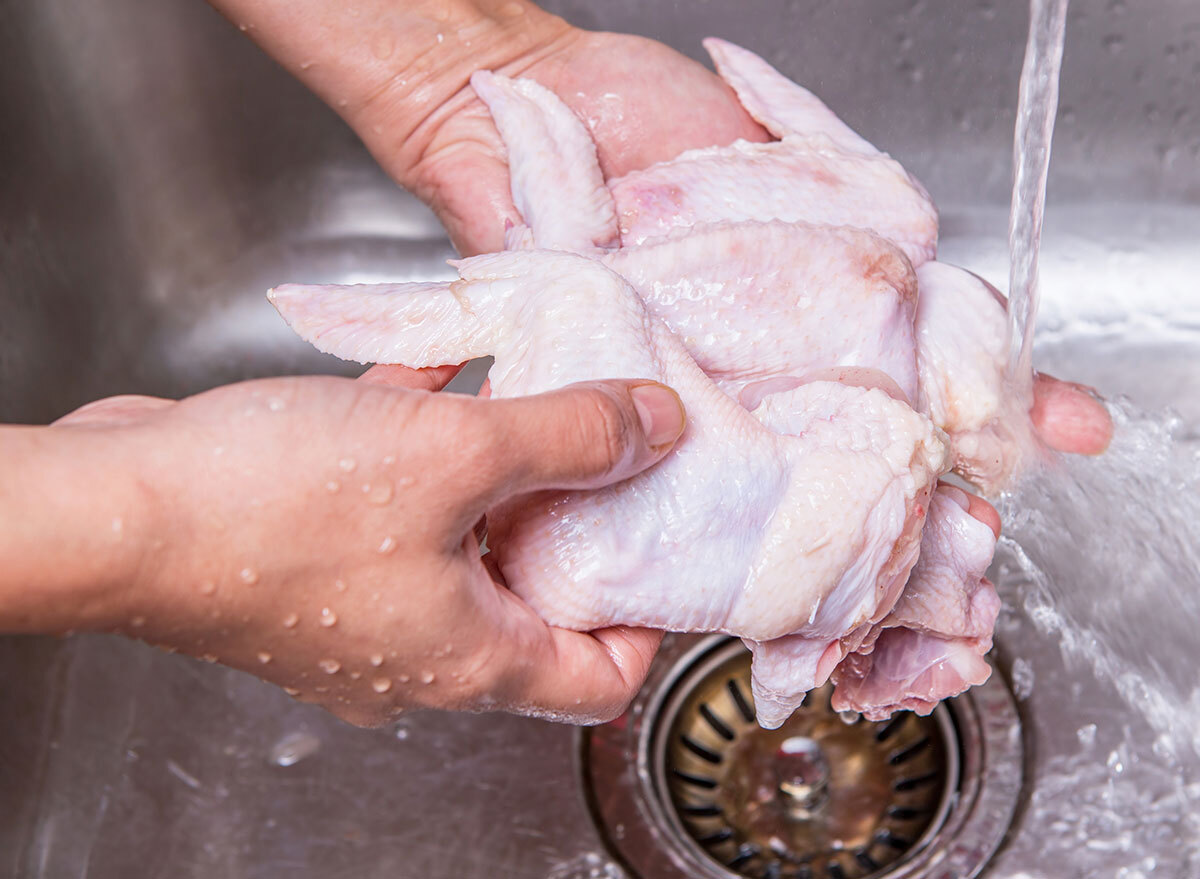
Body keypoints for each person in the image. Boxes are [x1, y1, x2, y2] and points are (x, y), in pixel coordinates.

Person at [0, 0, 1111, 729]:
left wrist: (460, 70)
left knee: (857, 264)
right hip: (737, 448)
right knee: (826, 268)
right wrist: (171, 537)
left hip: (746, 436)